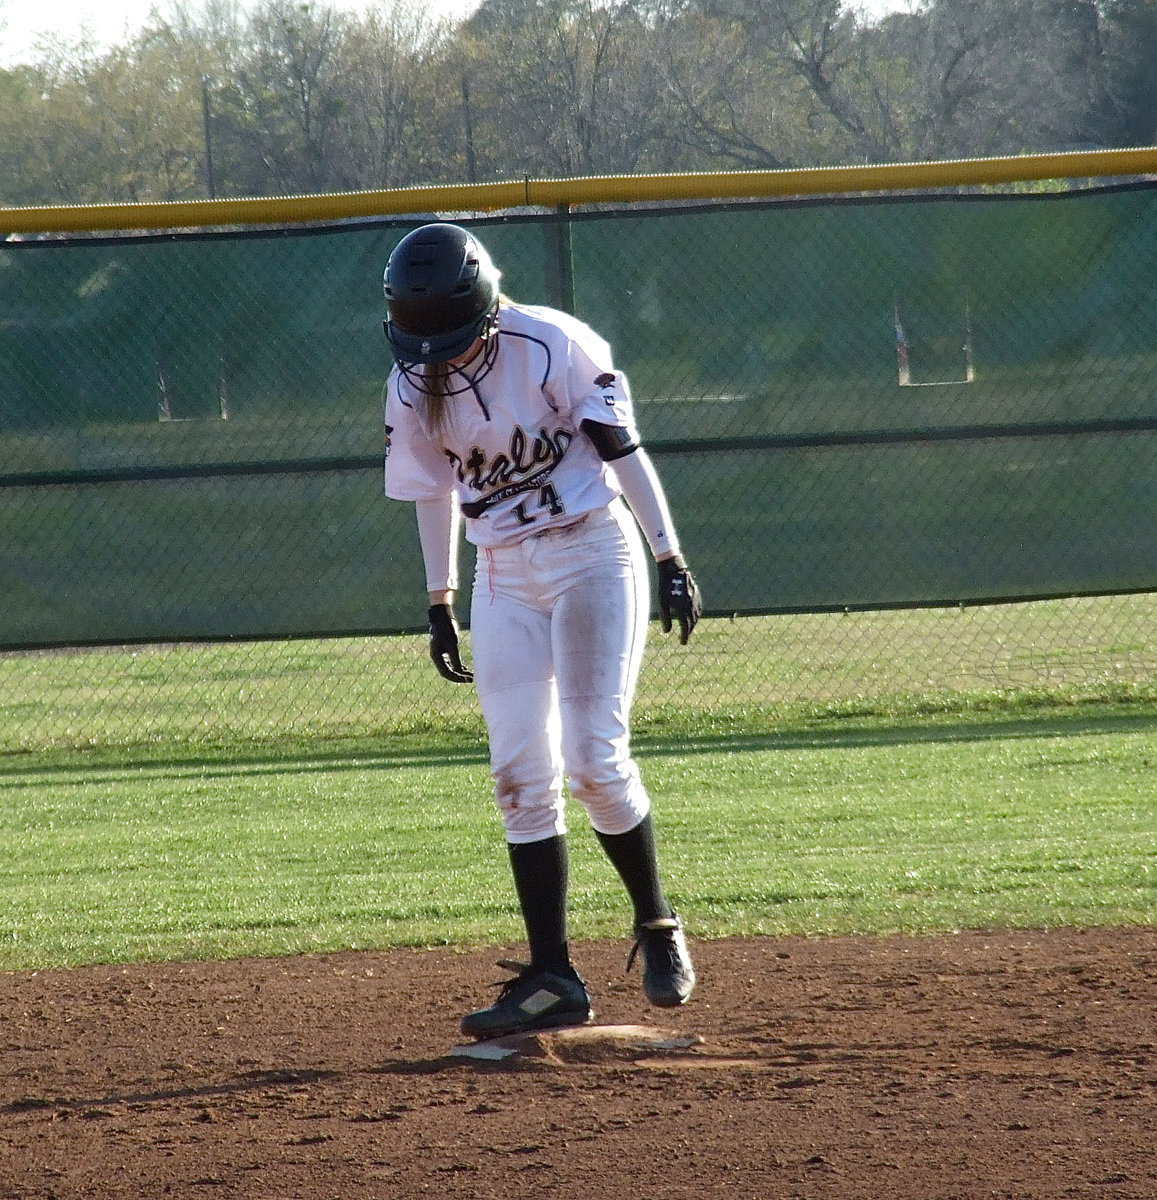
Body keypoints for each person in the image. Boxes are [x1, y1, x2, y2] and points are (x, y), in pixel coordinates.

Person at [381, 222, 703, 1041]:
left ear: (485, 307)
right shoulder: (412, 380)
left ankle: (658, 927)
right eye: (423, 340)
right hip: (504, 575)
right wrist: (438, 598)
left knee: (594, 757)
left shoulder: (552, 343)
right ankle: (553, 975)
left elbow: (620, 449)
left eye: (448, 336)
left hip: (592, 550)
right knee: (519, 773)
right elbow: (432, 490)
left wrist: (668, 553)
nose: (437, 354)